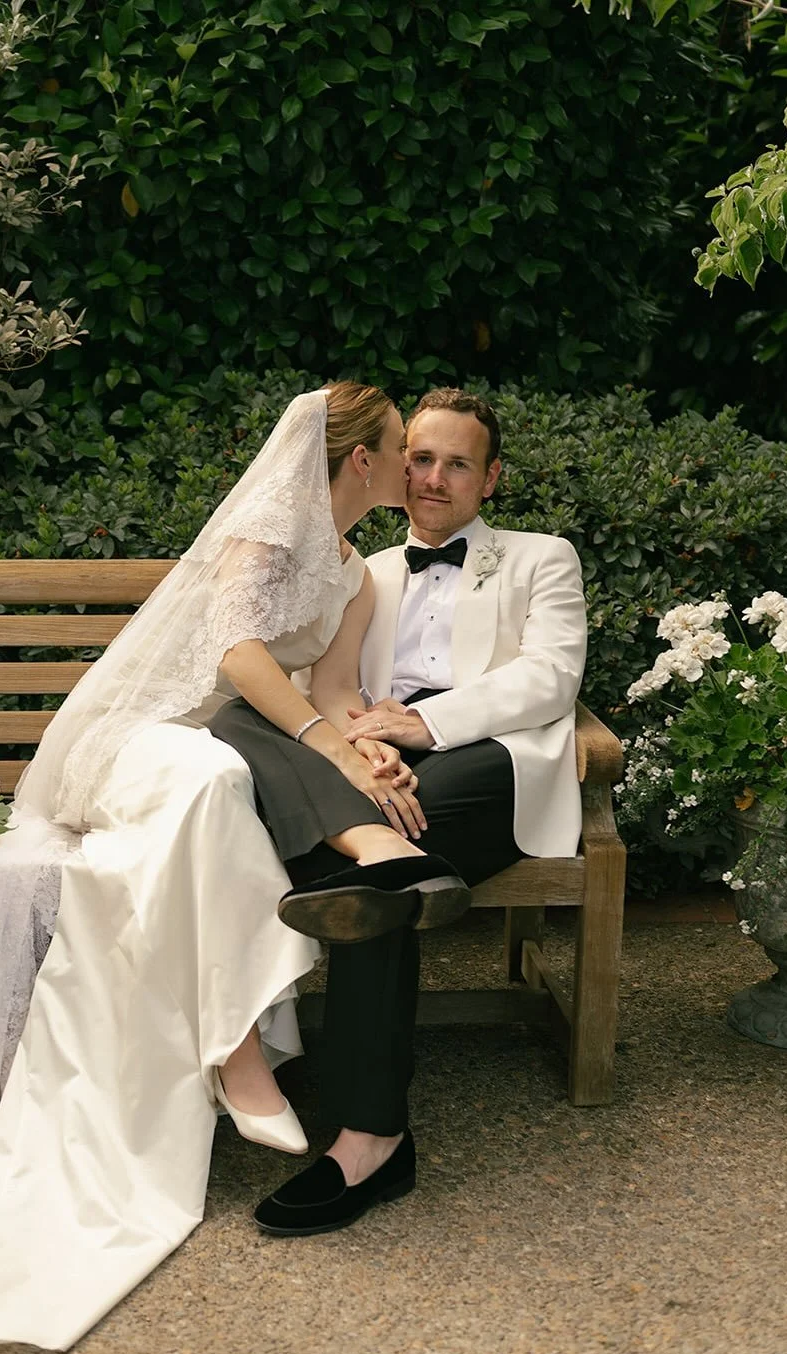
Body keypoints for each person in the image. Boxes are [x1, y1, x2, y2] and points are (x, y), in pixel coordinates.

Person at [0, 384, 467, 1354]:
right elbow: (239, 659)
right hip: (140, 739)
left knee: (226, 782)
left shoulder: (356, 579)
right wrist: (327, 747)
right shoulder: (265, 536)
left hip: (244, 755)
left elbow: (334, 687)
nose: (416, 467)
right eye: (404, 449)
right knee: (214, 778)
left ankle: (239, 1029)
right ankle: (234, 1043)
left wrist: (369, 748)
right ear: (363, 459)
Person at [210, 387, 588, 1236]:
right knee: (373, 878)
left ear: (490, 478)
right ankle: (373, 1138)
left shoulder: (542, 558)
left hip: (490, 764)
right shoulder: (364, 570)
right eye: (419, 458)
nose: (432, 478)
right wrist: (368, 744)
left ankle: (356, 1130)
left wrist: (426, 725)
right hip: (376, 769)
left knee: (360, 873)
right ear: (393, 462)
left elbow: (550, 678)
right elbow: (331, 691)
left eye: (457, 464)